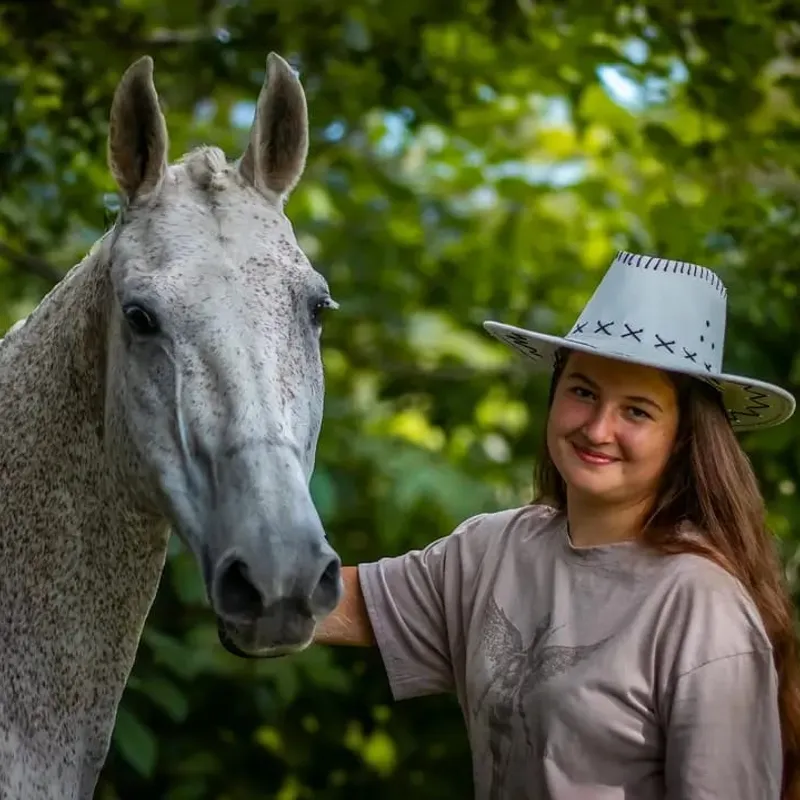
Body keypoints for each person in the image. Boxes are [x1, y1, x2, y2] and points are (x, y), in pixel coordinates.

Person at [314, 250, 800, 800]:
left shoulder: (701, 606)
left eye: (637, 410)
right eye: (583, 392)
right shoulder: (494, 549)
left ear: (685, 437)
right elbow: (319, 601)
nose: (597, 428)